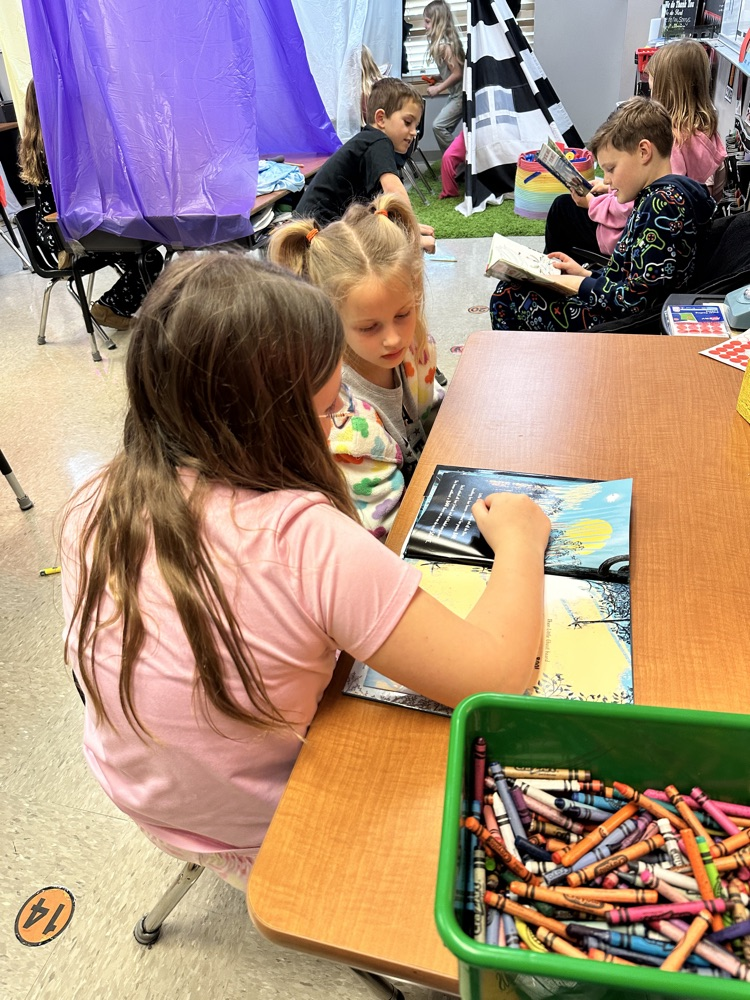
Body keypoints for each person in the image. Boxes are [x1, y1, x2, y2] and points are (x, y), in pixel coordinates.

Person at [60, 252, 550, 890]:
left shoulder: (95, 496)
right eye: (325, 413)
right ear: (269, 425)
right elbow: (497, 677)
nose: (339, 425)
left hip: (137, 794)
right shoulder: (305, 537)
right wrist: (519, 542)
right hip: (269, 825)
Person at [270, 193, 443, 538]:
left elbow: (436, 409)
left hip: (425, 485)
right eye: (369, 327)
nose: (393, 339)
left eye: (403, 314)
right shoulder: (344, 421)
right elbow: (387, 535)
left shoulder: (415, 348)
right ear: (330, 320)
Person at [490, 97, 715, 333]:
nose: (606, 180)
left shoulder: (662, 205)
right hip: (618, 309)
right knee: (517, 287)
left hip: (623, 325)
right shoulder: (667, 195)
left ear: (644, 151)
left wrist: (579, 284)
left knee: (507, 297)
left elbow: (635, 301)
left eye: (611, 169)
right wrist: (585, 273)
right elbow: (634, 278)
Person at [544, 39, 726, 265]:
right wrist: (608, 188)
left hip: (634, 241)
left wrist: (592, 203)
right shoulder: (707, 135)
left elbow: (642, 206)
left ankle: (548, 276)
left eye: (651, 77)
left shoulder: (672, 143)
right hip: (679, 239)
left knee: (562, 210)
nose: (648, 83)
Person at [17, 81, 163, 331]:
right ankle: (108, 308)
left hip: (67, 227)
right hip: (65, 233)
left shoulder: (42, 139)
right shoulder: (51, 147)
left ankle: (130, 308)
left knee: (144, 253)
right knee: (147, 257)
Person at [295, 77, 435, 252]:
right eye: (408, 122)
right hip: (316, 239)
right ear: (381, 118)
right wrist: (411, 234)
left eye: (416, 125)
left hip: (314, 235)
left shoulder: (369, 144)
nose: (414, 132)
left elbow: (380, 210)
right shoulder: (378, 140)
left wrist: (405, 228)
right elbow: (395, 192)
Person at [423, 0, 465, 153]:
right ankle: (456, 159)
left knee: (438, 126)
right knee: (442, 127)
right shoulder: (442, 44)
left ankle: (459, 159)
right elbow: (452, 70)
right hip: (456, 94)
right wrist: (437, 77)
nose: (424, 26)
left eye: (427, 22)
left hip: (461, 95)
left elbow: (458, 73)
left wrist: (438, 89)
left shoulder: (444, 46)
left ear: (438, 22)